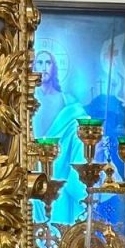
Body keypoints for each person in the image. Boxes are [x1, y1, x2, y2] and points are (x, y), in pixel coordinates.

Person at [32, 49, 88, 224]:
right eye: (40, 62)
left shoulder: (67, 101)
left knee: (59, 228)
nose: (44, 67)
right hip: (32, 173)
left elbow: (82, 127)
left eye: (48, 63)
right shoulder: (26, 100)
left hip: (60, 173)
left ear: (54, 67)